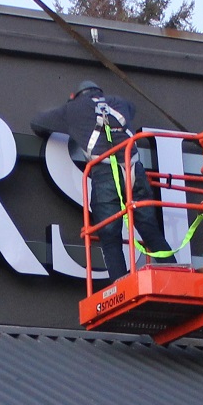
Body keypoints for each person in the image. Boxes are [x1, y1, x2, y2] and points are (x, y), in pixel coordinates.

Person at [31, 80, 175, 281]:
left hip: (105, 173)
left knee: (110, 235)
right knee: (149, 228)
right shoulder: (119, 102)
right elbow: (131, 111)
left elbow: (37, 123)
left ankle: (121, 283)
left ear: (75, 95)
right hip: (134, 170)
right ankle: (177, 273)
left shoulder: (72, 109)